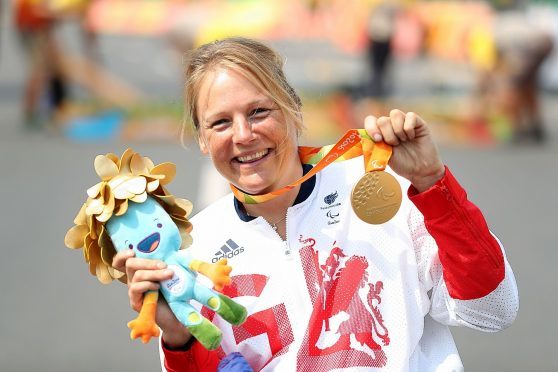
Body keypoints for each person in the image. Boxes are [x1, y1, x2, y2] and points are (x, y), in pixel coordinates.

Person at [112, 37, 519, 371]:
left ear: (295, 112)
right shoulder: (194, 249)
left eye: (258, 112)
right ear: (202, 139)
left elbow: (492, 310)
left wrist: (433, 186)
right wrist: (178, 337)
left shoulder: (383, 187)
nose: (243, 135)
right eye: (220, 122)